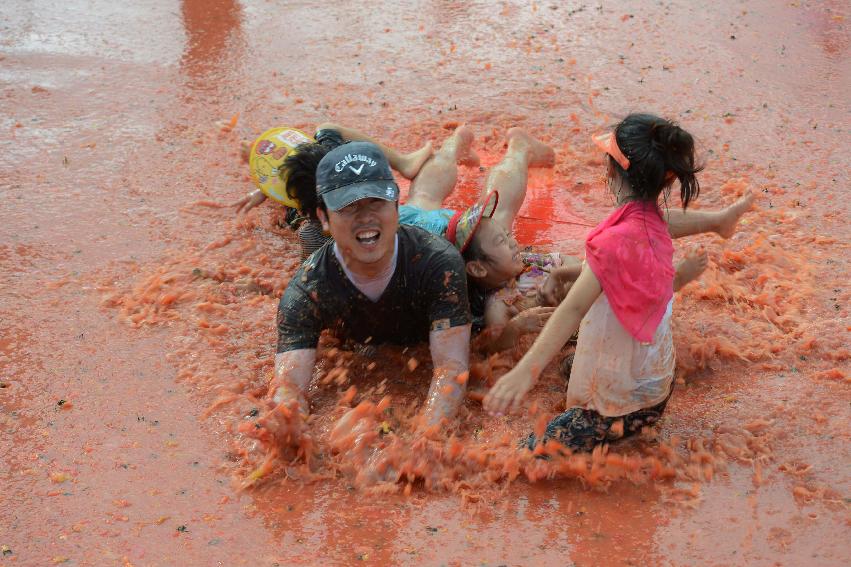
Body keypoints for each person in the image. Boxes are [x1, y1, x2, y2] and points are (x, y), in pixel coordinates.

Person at [483, 113, 734, 453]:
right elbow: (668, 225)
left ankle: (608, 436)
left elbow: (572, 309)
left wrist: (525, 372)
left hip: (614, 413)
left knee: (520, 458)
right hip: (656, 391)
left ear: (611, 172)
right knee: (571, 365)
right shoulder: (651, 224)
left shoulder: (614, 242)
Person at [269, 141, 472, 433]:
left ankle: (472, 145)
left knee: (438, 206)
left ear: (394, 205)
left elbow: (451, 369)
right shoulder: (306, 293)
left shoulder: (439, 265)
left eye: (376, 201)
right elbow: (288, 391)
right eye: (349, 206)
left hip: (434, 234)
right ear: (324, 218)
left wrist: (425, 442)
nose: (365, 217)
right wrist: (288, 432)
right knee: (426, 198)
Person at [230, 124, 434, 259]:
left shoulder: (310, 232)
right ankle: (403, 162)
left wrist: (265, 189)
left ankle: (265, 169)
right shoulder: (393, 222)